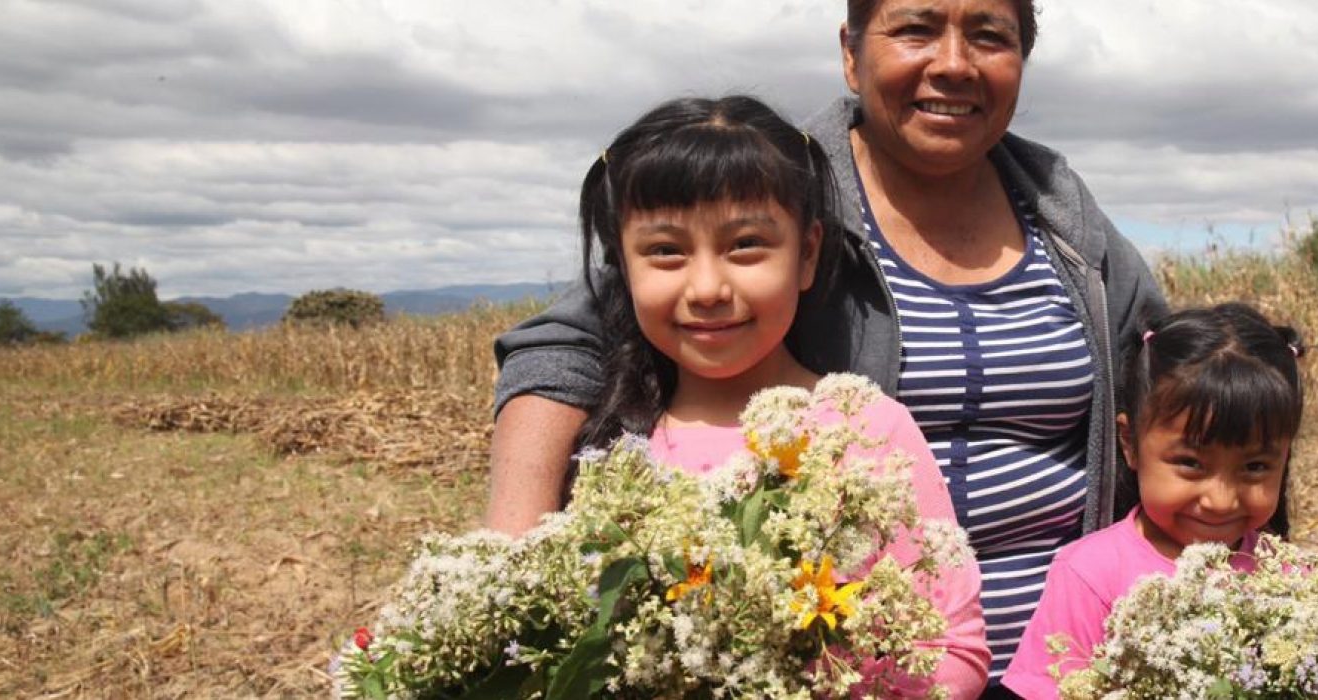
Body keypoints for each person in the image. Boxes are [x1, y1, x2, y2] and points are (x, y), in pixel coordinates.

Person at [485, 0, 1167, 688]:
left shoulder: (1059, 208)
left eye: (991, 36)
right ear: (851, 52)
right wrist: (516, 575)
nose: (954, 64)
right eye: (916, 29)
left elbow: (1172, 366)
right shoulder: (773, 182)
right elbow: (571, 340)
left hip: (1062, 668)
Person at [558, 94, 988, 696]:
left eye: (745, 245)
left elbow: (949, 648)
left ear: (807, 253)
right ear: (622, 266)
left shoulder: (862, 429)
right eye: (665, 252)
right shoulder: (617, 453)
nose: (707, 287)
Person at [1001, 304, 1305, 699]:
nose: (1220, 499)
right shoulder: (1092, 574)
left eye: (1255, 467)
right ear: (1130, 443)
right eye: (1191, 463)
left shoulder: (1288, 576)